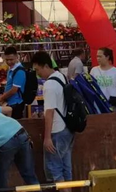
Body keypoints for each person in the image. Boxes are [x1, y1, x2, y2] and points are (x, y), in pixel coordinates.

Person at [32, 51, 74, 182]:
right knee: (66, 168)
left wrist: (47, 137)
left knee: (55, 170)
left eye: (38, 70)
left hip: (57, 131)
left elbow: (49, 112)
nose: (37, 73)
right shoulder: (61, 76)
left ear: (46, 66)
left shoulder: (49, 85)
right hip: (67, 128)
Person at [90, 47, 116, 112]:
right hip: (99, 104)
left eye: (100, 56)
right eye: (97, 56)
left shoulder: (115, 71)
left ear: (107, 57)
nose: (98, 58)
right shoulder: (94, 70)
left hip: (113, 103)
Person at [0, 46, 26, 119]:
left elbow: (14, 90)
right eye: (7, 60)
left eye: (11, 59)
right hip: (10, 103)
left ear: (16, 57)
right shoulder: (11, 69)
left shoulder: (19, 71)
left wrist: (2, 98)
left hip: (16, 104)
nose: (9, 62)